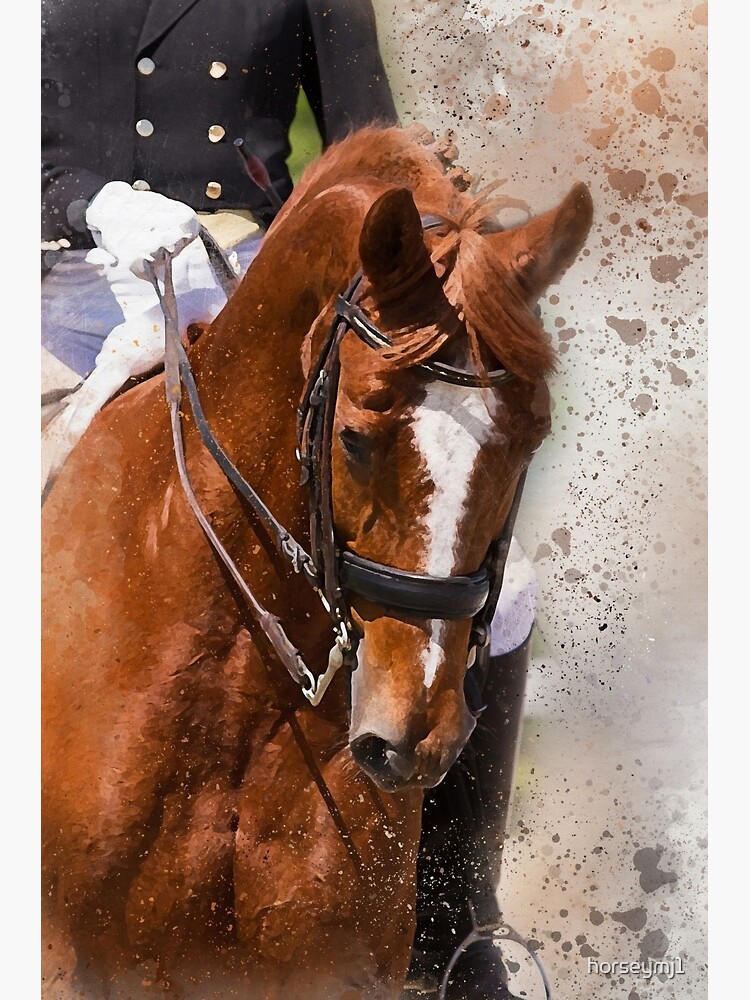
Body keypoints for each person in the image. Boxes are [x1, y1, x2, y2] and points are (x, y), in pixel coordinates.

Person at [41, 4, 538, 996]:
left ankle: (457, 931)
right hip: (57, 289)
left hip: (257, 293)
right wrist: (88, 203)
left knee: (508, 587)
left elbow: (383, 156)